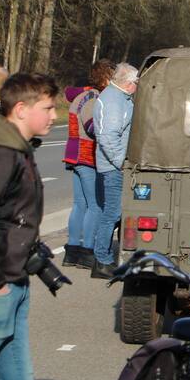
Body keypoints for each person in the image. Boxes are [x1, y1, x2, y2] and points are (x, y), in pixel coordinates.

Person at [0, 73, 58, 380]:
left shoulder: (19, 149)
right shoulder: (3, 153)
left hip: (14, 281)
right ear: (21, 109)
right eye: (47, 108)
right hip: (1, 285)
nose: (54, 115)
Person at [61, 59, 114, 270]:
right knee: (96, 206)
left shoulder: (81, 95)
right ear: (104, 77)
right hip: (87, 156)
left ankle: (72, 251)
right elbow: (92, 126)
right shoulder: (92, 98)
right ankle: (87, 251)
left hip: (75, 155)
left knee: (79, 204)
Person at [91, 63, 138, 279]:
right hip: (113, 167)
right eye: (136, 83)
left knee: (115, 213)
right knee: (112, 213)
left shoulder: (120, 98)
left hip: (115, 165)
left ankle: (109, 257)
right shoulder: (113, 100)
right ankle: (102, 260)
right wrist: (120, 162)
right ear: (129, 83)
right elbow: (108, 136)